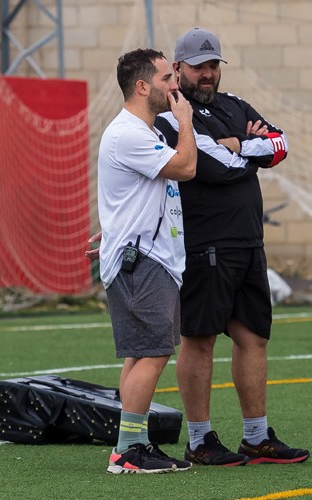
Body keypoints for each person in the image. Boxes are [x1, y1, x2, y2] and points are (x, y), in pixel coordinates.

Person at [154, 28, 310, 466]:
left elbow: (281, 144)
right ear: (179, 69)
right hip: (205, 244)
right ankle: (200, 440)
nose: (207, 74)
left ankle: (256, 437)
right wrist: (249, 153)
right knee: (199, 339)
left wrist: (242, 144)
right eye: (198, 66)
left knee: (253, 337)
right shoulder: (171, 117)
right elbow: (212, 166)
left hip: (247, 241)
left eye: (213, 65)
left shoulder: (235, 105)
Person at [95, 48, 197, 474]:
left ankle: (132, 444)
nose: (174, 86)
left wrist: (111, 232)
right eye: (164, 79)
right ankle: (128, 451)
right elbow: (186, 168)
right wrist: (186, 123)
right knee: (152, 353)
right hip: (144, 261)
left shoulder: (144, 131)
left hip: (147, 256)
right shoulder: (130, 133)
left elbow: (134, 195)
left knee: (141, 354)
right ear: (141, 87)